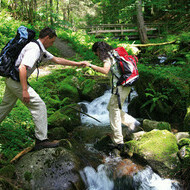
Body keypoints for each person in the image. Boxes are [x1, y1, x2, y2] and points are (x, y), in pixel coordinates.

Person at [0, 27, 88, 150]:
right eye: (52, 42)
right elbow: (22, 68)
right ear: (47, 38)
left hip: (12, 80)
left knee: (5, 105)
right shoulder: (34, 49)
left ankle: (41, 139)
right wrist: (25, 90)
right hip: (16, 81)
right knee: (39, 106)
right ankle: (41, 140)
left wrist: (78, 63)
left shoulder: (40, 49)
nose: (52, 45)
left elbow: (57, 59)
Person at [86, 41, 140, 151]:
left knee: (113, 111)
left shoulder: (108, 57)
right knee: (110, 108)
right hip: (125, 86)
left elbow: (105, 70)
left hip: (120, 87)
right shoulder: (115, 54)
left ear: (99, 50)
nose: (96, 55)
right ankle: (132, 123)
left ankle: (118, 141)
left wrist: (90, 65)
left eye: (96, 52)